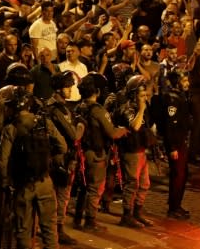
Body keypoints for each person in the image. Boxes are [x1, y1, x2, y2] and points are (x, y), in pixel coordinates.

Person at [0, 86, 67, 249]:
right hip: (45, 182)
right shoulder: (44, 122)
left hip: (23, 186)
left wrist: (5, 183)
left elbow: (2, 161)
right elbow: (62, 146)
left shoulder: (10, 129)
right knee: (49, 230)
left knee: (23, 230)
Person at [73, 72, 129, 232]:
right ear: (96, 91)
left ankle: (78, 218)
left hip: (83, 153)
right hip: (96, 154)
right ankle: (90, 222)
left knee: (84, 187)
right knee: (95, 188)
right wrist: (123, 130)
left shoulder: (79, 107)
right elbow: (111, 132)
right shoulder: (97, 110)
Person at [112, 75, 155, 228]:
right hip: (131, 152)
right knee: (132, 183)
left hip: (141, 150)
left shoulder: (142, 107)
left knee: (144, 184)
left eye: (146, 95)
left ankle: (137, 212)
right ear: (133, 94)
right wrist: (142, 109)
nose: (145, 98)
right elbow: (135, 126)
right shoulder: (127, 108)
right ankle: (127, 216)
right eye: (142, 95)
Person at [45, 71, 79, 245]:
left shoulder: (62, 106)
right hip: (59, 158)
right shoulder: (55, 109)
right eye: (67, 86)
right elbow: (73, 134)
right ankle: (56, 230)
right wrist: (81, 127)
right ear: (58, 88)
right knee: (59, 196)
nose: (70, 88)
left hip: (63, 157)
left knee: (61, 196)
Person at [154, 71, 193, 219]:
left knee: (182, 174)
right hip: (176, 143)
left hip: (181, 141)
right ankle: (173, 208)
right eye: (184, 81)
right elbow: (171, 124)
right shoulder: (172, 99)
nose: (187, 83)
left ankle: (177, 205)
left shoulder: (181, 96)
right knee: (177, 175)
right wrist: (173, 148)